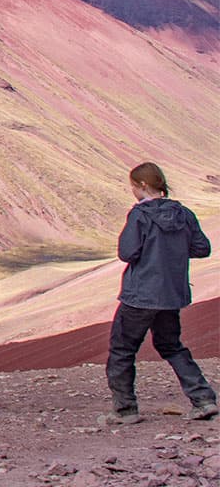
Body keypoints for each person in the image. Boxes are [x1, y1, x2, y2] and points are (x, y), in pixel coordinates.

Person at [102, 162, 215, 425]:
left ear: (142, 185)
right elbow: (201, 248)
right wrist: (172, 250)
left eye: (132, 186)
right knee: (172, 346)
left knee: (122, 349)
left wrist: (152, 253)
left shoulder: (140, 216)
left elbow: (127, 253)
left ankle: (125, 410)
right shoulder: (183, 213)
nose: (132, 191)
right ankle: (203, 399)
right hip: (170, 295)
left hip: (140, 295)